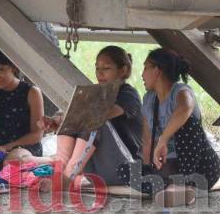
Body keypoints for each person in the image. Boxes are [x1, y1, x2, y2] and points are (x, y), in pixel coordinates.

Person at [117, 48, 220, 207]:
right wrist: (147, 168)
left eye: (145, 68)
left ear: (157, 71)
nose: (142, 74)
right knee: (125, 170)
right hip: (170, 169)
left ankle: (185, 187)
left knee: (188, 124)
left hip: (199, 167)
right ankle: (172, 189)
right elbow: (146, 141)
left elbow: (185, 108)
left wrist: (163, 140)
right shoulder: (149, 99)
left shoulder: (180, 92)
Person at [39, 46, 143, 187]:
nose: (100, 74)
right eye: (97, 69)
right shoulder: (96, 95)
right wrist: (56, 123)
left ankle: (68, 177)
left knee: (94, 118)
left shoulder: (129, 95)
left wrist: (67, 117)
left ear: (123, 70)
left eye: (106, 69)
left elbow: (98, 115)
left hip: (125, 169)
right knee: (81, 114)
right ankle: (61, 170)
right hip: (98, 172)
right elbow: (78, 116)